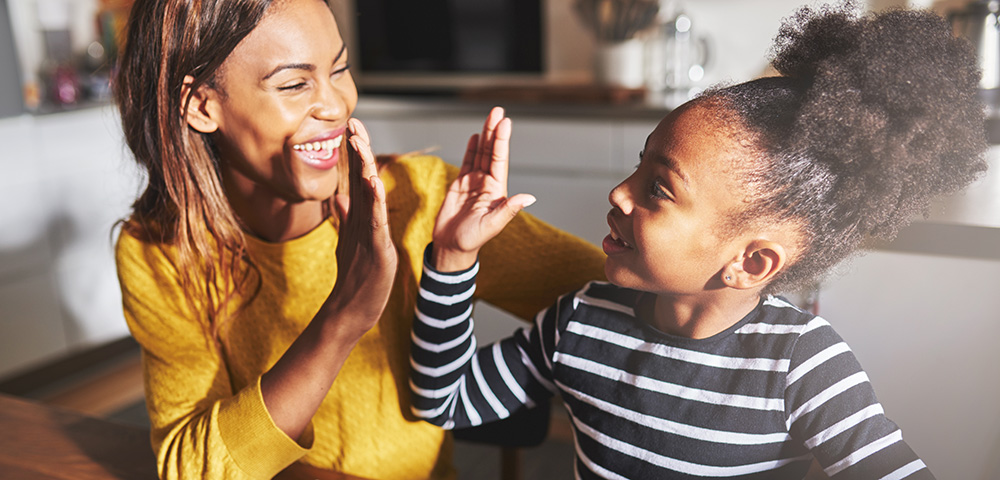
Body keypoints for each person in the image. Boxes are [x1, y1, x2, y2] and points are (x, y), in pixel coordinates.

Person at [409, 4, 987, 479]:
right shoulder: (579, 321)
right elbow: (442, 403)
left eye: (658, 187)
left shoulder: (801, 365)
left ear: (751, 261)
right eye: (638, 167)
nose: (618, 192)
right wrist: (455, 259)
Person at [111, 0, 605, 478]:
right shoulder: (160, 253)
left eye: (340, 69)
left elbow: (633, 299)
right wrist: (342, 318)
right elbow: (190, 468)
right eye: (295, 83)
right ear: (201, 105)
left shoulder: (422, 199)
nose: (335, 104)